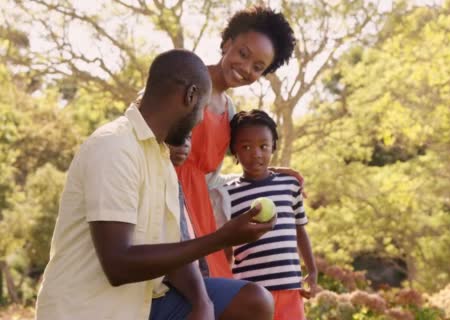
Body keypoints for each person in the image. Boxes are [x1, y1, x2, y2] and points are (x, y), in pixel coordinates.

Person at [36, 49, 274, 320]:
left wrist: (202, 302)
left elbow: (174, 246)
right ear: (190, 96)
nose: (199, 120)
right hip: (91, 310)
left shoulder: (163, 160)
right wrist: (222, 238)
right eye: (203, 108)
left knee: (252, 301)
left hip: (144, 302)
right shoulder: (115, 146)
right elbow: (118, 265)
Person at [173, 5, 300, 279]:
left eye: (258, 67)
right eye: (243, 54)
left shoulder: (230, 112)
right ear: (227, 43)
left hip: (201, 215)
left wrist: (270, 172)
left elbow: (209, 176)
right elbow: (141, 122)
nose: (245, 68)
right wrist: (168, 148)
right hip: (166, 206)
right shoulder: (185, 81)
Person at [214, 110, 318, 320]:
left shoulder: (289, 185)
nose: (256, 154)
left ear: (274, 147)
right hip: (250, 293)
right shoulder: (227, 194)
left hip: (290, 287)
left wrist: (313, 270)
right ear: (234, 150)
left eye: (263, 146)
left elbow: (300, 229)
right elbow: (226, 247)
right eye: (246, 147)